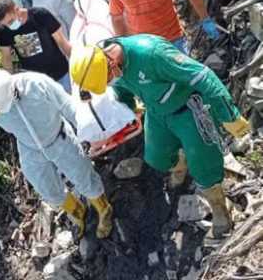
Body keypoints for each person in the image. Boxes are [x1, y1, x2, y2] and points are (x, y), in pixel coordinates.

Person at [70, 36, 251, 238]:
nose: (110, 81)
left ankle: (220, 208)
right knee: (157, 157)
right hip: (157, 112)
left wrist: (229, 114)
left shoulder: (152, 54)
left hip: (188, 108)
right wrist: (130, 106)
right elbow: (121, 87)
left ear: (111, 62)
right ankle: (182, 164)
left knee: (203, 163)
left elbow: (201, 75)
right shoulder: (107, 62)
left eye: (108, 77)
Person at [0, 69, 113, 238]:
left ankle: (103, 209)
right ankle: (78, 213)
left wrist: (89, 131)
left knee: (82, 174)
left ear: (13, 90)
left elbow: (66, 105)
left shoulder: (36, 84)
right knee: (46, 187)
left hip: (59, 137)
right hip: (29, 149)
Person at [0, 0, 72, 90]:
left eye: (10, 22)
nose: (9, 27)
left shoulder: (41, 15)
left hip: (60, 74)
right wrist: (10, 85)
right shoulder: (4, 32)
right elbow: (6, 59)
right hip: (35, 84)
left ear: (17, 9)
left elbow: (62, 42)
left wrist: (78, 66)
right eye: (5, 24)